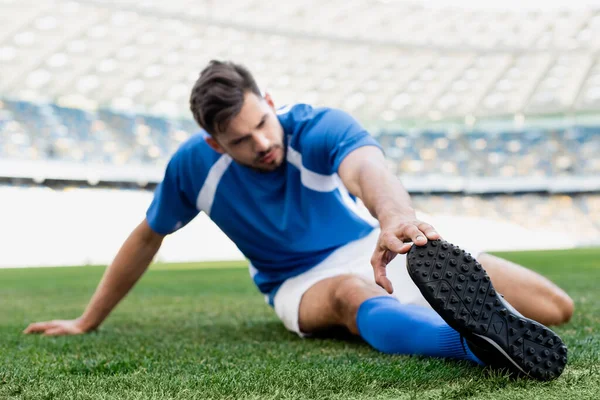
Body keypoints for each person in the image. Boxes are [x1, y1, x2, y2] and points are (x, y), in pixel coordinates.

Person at [24, 60, 574, 380]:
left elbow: (367, 169)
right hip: (297, 281)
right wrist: (86, 320)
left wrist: (396, 219)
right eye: (240, 140)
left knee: (557, 308)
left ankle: (478, 316)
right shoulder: (193, 168)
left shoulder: (316, 125)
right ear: (215, 142)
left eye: (263, 122)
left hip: (368, 240)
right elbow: (147, 237)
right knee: (349, 296)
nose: (262, 143)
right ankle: (474, 345)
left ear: (269, 99)